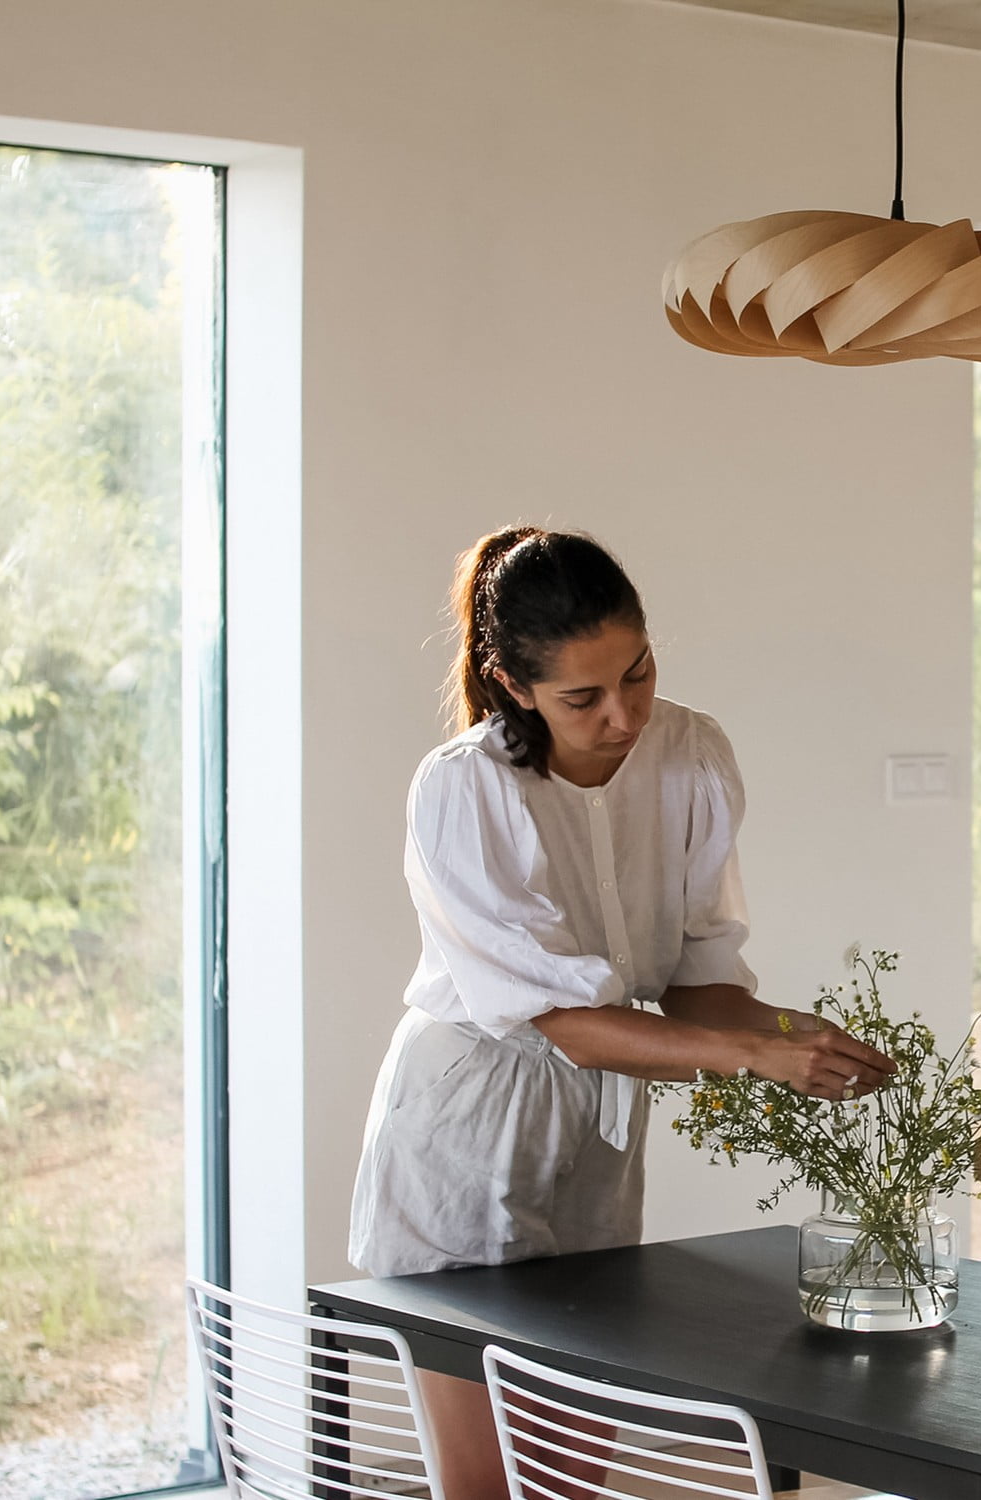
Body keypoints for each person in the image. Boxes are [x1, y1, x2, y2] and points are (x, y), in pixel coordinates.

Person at [348, 525, 893, 1500]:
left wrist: (787, 1036)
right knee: (482, 1488)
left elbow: (694, 980)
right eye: (583, 697)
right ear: (512, 684)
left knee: (572, 1481)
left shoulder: (691, 754)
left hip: (599, 1137)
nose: (623, 714)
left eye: (636, 673)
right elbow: (558, 1018)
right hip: (464, 1130)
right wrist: (744, 1058)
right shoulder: (463, 791)